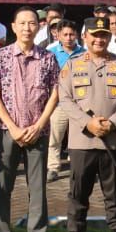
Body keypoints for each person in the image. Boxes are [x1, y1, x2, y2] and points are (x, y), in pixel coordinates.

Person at [57, 17, 116, 232]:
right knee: (78, 192)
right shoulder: (72, 66)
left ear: (110, 37)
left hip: (114, 141)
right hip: (82, 141)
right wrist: (88, 123)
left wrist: (113, 123)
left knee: (114, 193)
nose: (99, 39)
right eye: (94, 34)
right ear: (85, 37)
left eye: (103, 35)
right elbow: (65, 99)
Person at [0, 6, 60, 232]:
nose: (28, 28)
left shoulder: (48, 58)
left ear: (38, 27)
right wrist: (12, 126)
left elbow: (55, 93)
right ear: (14, 26)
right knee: (3, 184)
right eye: (23, 23)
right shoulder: (0, 56)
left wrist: (39, 125)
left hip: (37, 132)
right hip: (8, 131)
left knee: (37, 186)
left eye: (32, 23)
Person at [46, 19, 84, 181]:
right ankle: (53, 167)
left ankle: (78, 167)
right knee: (55, 136)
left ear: (76, 35)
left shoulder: (84, 52)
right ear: (58, 36)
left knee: (79, 138)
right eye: (65, 35)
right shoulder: (50, 52)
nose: (68, 38)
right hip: (58, 102)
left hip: (79, 103)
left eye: (71, 34)